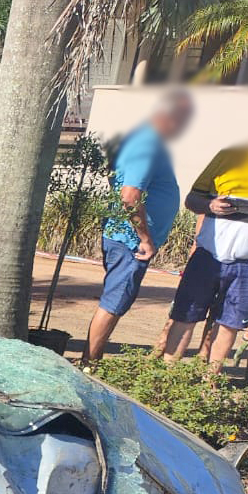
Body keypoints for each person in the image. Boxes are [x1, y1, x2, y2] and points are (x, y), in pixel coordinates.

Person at [162, 102, 248, 373]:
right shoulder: (229, 156)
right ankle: (168, 377)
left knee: (231, 324)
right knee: (185, 316)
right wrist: (210, 205)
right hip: (208, 257)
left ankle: (210, 381)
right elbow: (193, 199)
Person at [81, 90, 194, 363]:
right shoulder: (147, 145)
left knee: (116, 301)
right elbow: (130, 196)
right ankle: (88, 364)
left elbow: (115, 178)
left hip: (124, 237)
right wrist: (144, 238)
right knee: (113, 303)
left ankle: (91, 360)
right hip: (130, 242)